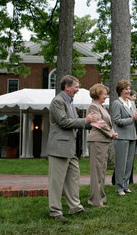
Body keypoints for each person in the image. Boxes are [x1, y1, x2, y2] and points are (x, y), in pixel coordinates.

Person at [47, 75, 105, 221]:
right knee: (57, 181)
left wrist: (89, 124)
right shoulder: (57, 102)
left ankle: (75, 207)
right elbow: (64, 122)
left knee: (73, 178)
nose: (78, 90)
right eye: (76, 87)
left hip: (70, 148)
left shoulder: (71, 103)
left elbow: (74, 122)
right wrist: (86, 120)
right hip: (59, 147)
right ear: (67, 87)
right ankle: (55, 211)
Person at [111, 80, 137, 196]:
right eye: (126, 89)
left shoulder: (132, 104)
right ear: (120, 90)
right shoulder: (117, 103)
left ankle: (125, 185)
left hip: (132, 136)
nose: (128, 91)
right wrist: (132, 119)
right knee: (121, 163)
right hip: (121, 137)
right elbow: (117, 121)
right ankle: (119, 187)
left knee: (129, 163)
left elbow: (135, 119)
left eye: (129, 89)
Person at [86, 83, 118, 207]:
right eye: (105, 94)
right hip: (97, 141)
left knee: (102, 171)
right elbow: (100, 123)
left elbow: (106, 124)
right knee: (97, 172)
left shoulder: (101, 107)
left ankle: (101, 197)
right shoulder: (93, 107)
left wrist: (112, 132)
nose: (106, 96)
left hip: (103, 141)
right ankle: (95, 200)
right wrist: (112, 134)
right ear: (98, 94)